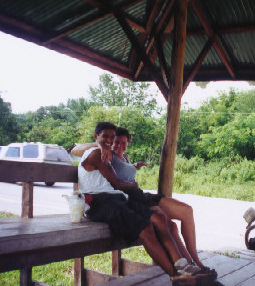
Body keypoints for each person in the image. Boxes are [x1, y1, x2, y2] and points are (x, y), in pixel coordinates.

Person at [78, 122, 215, 285]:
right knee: (146, 228)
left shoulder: (104, 153)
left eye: (112, 137)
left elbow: (117, 183)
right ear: (96, 136)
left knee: (158, 219)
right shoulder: (96, 154)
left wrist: (110, 151)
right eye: (105, 137)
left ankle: (184, 266)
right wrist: (133, 185)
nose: (110, 141)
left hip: (118, 198)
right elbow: (117, 183)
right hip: (102, 203)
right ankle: (176, 276)